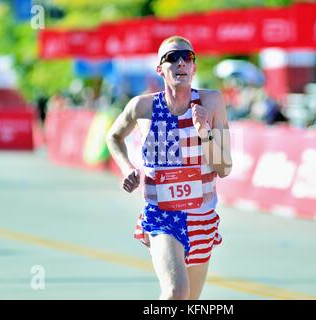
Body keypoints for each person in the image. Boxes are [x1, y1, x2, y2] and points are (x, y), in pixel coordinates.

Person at [105, 36, 232, 300]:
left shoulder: (211, 103)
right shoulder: (142, 107)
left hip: (202, 216)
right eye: (172, 58)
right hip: (162, 214)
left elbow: (224, 167)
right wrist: (126, 167)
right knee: (176, 292)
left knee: (189, 300)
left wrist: (204, 132)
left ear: (194, 67)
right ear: (160, 69)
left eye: (188, 57)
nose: (181, 62)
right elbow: (113, 137)